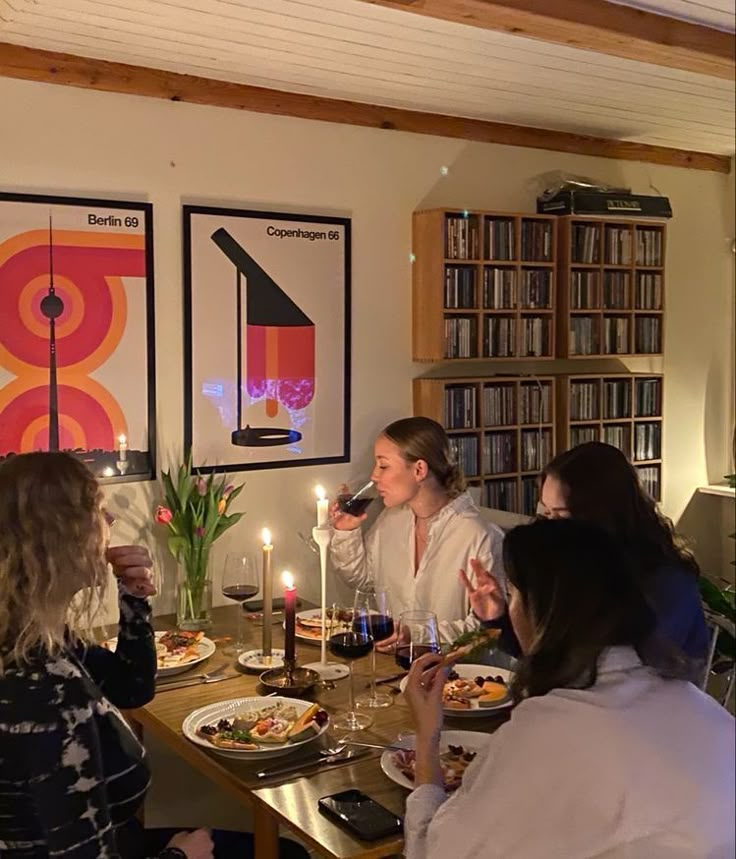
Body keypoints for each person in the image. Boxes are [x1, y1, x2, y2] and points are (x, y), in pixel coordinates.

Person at [0, 452, 307, 859]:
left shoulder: (30, 635)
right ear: (61, 537)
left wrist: (133, 597)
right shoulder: (44, 689)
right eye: (99, 513)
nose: (108, 526)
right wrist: (180, 857)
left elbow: (131, 687)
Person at [403, 518, 735, 859]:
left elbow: (437, 851)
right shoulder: (702, 708)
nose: (509, 609)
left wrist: (427, 737)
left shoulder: (546, 731)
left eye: (513, 594)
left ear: (545, 612)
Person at [464, 441, 709, 665]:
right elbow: (543, 657)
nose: (547, 528)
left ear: (600, 516)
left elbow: (611, 678)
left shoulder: (664, 584)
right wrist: (500, 619)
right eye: (545, 514)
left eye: (559, 516)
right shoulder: (579, 568)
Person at [329, 417, 505, 642]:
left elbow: (488, 630)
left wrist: (416, 635)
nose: (374, 476)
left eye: (383, 465)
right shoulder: (392, 519)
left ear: (419, 469)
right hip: (394, 667)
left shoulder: (480, 537)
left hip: (456, 672)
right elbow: (364, 579)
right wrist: (346, 533)